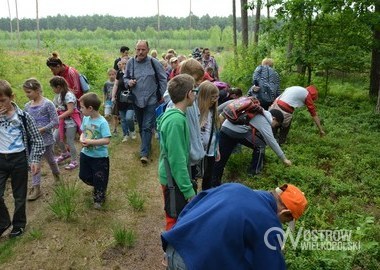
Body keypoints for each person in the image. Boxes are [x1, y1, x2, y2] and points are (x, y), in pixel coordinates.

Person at [161, 182, 308, 269]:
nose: (281, 224)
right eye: (286, 221)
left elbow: (190, 207)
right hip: (190, 263)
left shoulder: (234, 187)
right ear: (285, 213)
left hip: (174, 245)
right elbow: (272, 266)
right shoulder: (268, 222)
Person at [0, 80, 45, 238]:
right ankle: (4, 221)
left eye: (2, 100)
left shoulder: (24, 117)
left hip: (18, 158)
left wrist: (34, 160)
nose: (0, 105)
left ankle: (18, 225)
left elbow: (37, 140)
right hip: (1, 159)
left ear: (11, 97)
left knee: (19, 195)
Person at [212, 106, 292, 186]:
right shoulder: (264, 119)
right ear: (274, 118)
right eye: (276, 124)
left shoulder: (257, 111)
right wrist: (284, 158)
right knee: (261, 145)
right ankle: (254, 173)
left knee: (221, 159)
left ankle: (214, 183)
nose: (274, 127)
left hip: (225, 127)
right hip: (237, 131)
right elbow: (271, 141)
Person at [157, 74, 197, 231]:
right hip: (173, 179)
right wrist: (188, 191)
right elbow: (177, 159)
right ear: (188, 94)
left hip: (174, 177)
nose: (196, 93)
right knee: (174, 217)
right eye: (195, 90)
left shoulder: (177, 115)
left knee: (177, 216)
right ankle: (170, 253)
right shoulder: (176, 121)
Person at [124, 40, 167, 164]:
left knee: (147, 126)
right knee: (142, 125)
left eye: (143, 49)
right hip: (136, 99)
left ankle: (144, 154)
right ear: (135, 49)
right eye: (138, 49)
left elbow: (163, 79)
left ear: (148, 50)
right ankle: (147, 146)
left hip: (151, 99)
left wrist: (163, 95)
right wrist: (129, 82)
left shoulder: (154, 63)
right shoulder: (130, 63)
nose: (140, 52)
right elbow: (125, 77)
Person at [163, 58, 206, 182]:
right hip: (184, 159)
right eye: (197, 79)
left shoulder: (191, 98)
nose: (199, 82)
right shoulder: (176, 106)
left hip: (192, 157)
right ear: (187, 77)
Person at [23, 78, 60, 201]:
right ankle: (36, 187)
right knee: (35, 163)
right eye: (26, 92)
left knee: (51, 160)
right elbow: (24, 122)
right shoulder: (27, 106)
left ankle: (57, 175)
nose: (27, 95)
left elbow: (55, 121)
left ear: (38, 90)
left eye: (29, 92)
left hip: (47, 139)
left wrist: (43, 129)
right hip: (34, 141)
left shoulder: (48, 104)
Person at [78, 93, 111, 209]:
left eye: (82, 107)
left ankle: (99, 199)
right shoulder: (86, 119)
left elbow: (107, 140)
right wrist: (82, 138)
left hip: (99, 157)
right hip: (86, 154)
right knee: (83, 175)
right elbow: (83, 132)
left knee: (100, 177)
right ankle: (98, 185)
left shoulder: (102, 122)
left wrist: (90, 142)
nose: (80, 110)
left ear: (90, 108)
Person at [50, 76, 81, 170]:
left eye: (53, 87)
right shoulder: (59, 95)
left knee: (69, 141)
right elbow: (60, 107)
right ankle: (64, 153)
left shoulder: (69, 95)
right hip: (62, 120)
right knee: (56, 137)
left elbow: (70, 110)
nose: (52, 89)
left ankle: (74, 160)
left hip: (71, 121)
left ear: (58, 86)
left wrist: (57, 117)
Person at [197, 81, 220, 190]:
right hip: (198, 151)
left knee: (208, 177)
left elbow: (216, 131)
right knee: (196, 175)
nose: (214, 100)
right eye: (212, 97)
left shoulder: (214, 112)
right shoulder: (197, 112)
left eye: (216, 97)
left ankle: (205, 197)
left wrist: (217, 149)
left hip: (211, 151)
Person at [112, 58, 136, 142]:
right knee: (122, 118)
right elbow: (115, 85)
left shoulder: (133, 73)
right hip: (120, 98)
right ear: (120, 65)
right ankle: (125, 134)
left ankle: (132, 131)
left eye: (126, 64)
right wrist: (113, 96)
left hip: (130, 99)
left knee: (129, 117)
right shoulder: (119, 73)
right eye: (123, 64)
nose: (124, 65)